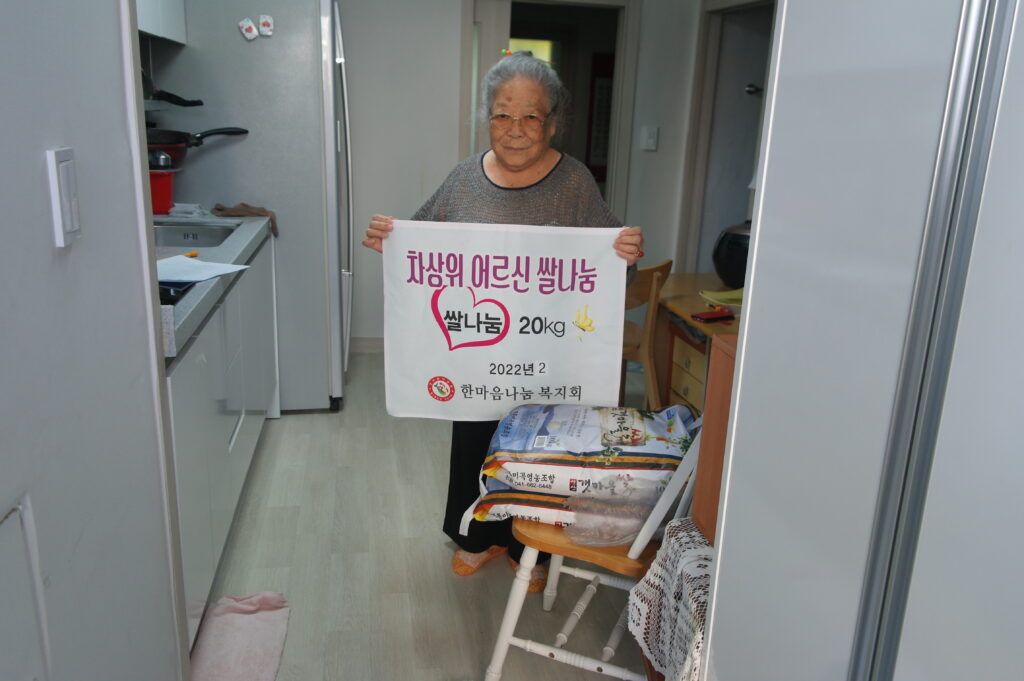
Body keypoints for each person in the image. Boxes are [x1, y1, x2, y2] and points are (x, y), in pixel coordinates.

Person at [363, 52, 645, 591]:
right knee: (474, 442)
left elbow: (610, 273)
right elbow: (420, 239)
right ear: (487, 118)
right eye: (502, 115)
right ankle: (478, 538)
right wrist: (389, 240)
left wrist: (625, 256)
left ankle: (527, 547)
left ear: (552, 122)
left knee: (538, 451)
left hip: (548, 355)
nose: (515, 129)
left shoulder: (574, 183)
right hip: (477, 352)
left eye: (531, 116)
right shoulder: (464, 179)